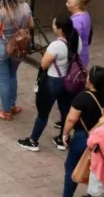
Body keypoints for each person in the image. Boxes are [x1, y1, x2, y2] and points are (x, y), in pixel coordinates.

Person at [18, 14, 83, 151]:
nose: (52, 26)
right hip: (68, 81)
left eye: (54, 24)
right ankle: (62, 138)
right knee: (65, 110)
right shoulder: (77, 41)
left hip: (53, 81)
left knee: (43, 112)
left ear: (60, 29)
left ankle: (33, 140)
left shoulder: (56, 45)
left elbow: (44, 64)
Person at [61, 66, 104, 197]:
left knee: (72, 167)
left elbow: (71, 118)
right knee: (99, 170)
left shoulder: (83, 97)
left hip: (84, 138)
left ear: (91, 81)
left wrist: (65, 134)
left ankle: (67, 194)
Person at [0, 0, 34, 121]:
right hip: (19, 47)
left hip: (2, 46)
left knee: (3, 79)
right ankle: (12, 105)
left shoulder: (0, 12)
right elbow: (31, 25)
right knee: (12, 76)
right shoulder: (25, 7)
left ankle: (6, 111)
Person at [67, 0, 93, 69]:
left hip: (76, 59)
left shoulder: (76, 21)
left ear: (76, 5)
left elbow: (73, 42)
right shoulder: (85, 14)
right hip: (83, 54)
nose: (66, 4)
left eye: (68, 2)